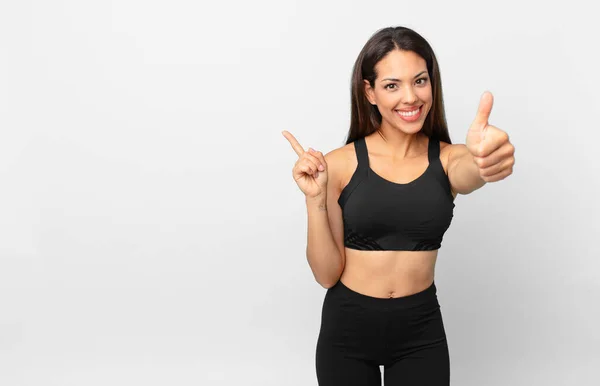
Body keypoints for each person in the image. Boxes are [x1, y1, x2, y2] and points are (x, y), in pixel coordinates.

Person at [282, 26, 515, 386]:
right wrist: (315, 200)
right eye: (392, 85)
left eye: (420, 81)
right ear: (369, 92)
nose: (410, 97)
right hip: (347, 333)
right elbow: (327, 275)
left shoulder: (449, 160)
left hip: (420, 333)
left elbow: (471, 171)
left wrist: (485, 160)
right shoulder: (340, 164)